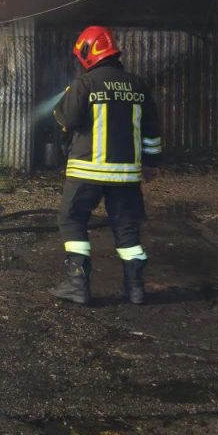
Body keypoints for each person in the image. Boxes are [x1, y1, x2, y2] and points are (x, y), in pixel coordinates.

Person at [50, 26, 162, 306]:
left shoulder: (85, 84)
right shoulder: (137, 85)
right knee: (126, 227)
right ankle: (135, 288)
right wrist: (150, 163)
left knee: (72, 219)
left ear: (88, 52)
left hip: (86, 171)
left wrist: (67, 98)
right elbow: (152, 130)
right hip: (126, 176)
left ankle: (76, 284)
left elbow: (66, 119)